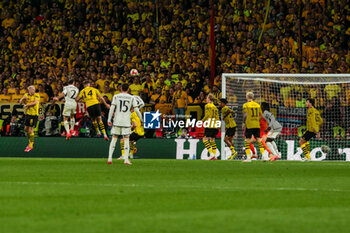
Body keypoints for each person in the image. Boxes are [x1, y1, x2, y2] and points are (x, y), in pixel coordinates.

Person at [107, 84, 143, 165]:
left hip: (117, 120)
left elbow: (112, 108)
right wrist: (141, 119)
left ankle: (109, 159)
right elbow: (136, 110)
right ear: (128, 89)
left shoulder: (116, 96)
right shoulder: (132, 97)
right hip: (126, 121)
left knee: (114, 138)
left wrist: (109, 119)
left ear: (121, 88)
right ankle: (126, 159)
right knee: (126, 139)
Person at [242, 92, 265, 162]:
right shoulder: (258, 105)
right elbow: (261, 115)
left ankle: (248, 158)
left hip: (249, 124)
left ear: (247, 97)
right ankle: (263, 156)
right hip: (256, 125)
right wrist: (256, 120)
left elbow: (245, 115)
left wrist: (244, 123)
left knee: (247, 140)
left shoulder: (245, 105)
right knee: (258, 139)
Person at [19, 85, 40, 152]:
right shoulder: (26, 95)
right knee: (26, 129)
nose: (33, 90)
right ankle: (30, 141)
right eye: (32, 89)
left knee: (31, 130)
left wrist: (26, 105)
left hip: (34, 115)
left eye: (34, 89)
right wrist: (22, 98)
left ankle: (31, 144)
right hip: (28, 114)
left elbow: (35, 103)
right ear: (29, 90)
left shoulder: (37, 95)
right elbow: (20, 102)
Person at [202, 94, 220, 160]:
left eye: (207, 98)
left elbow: (207, 115)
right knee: (212, 140)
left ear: (209, 99)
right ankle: (214, 156)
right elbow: (217, 117)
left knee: (204, 139)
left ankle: (211, 154)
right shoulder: (215, 107)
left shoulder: (207, 105)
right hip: (215, 125)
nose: (206, 99)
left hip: (209, 124)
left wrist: (201, 121)